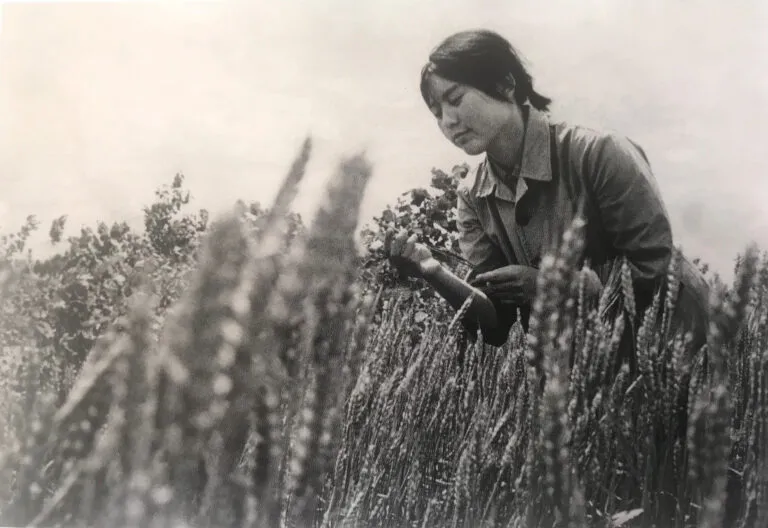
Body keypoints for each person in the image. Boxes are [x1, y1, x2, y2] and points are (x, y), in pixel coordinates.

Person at [385, 28, 710, 359]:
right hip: (595, 373)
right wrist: (432, 272)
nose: (448, 121)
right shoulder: (472, 196)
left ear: (505, 83)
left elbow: (655, 271)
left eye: (455, 100)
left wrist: (552, 285)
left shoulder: (598, 152)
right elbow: (495, 325)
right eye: (436, 112)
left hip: (681, 348)